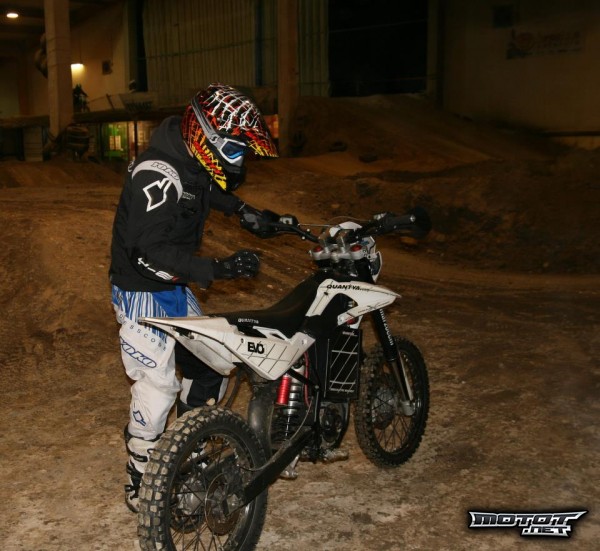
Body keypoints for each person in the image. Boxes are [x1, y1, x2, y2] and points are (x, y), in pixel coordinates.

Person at [109, 83, 279, 512]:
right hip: (140, 291)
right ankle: (141, 474)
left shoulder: (189, 157)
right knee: (158, 385)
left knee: (214, 365)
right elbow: (146, 253)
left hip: (172, 286)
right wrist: (218, 269)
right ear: (207, 136)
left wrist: (241, 210)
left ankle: (187, 447)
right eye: (234, 149)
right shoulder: (156, 174)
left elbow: (201, 187)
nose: (238, 160)